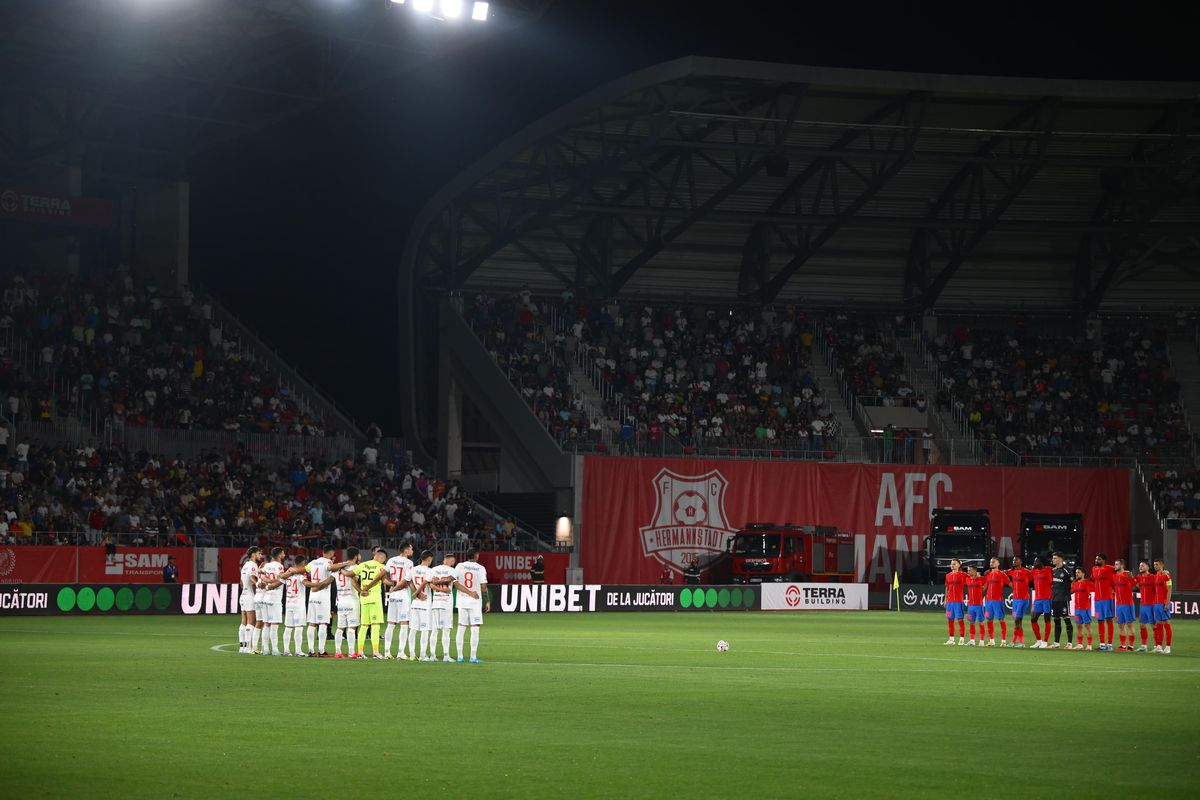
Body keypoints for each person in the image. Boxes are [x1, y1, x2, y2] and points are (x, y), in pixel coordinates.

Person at [304, 544, 349, 657]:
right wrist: (344, 563)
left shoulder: (313, 562)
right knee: (323, 623)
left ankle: (310, 650)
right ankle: (322, 650)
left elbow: (305, 569)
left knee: (312, 623)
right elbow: (330, 568)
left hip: (312, 595)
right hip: (322, 595)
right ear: (330, 553)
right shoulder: (328, 562)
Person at [453, 547, 489, 663]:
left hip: (462, 601)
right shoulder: (480, 568)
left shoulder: (459, 566)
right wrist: (487, 600)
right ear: (477, 556)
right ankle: (473, 657)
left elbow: (455, 583)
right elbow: (483, 587)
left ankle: (460, 656)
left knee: (461, 627)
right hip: (475, 602)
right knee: (475, 628)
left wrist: (467, 592)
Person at [353, 549, 387, 659]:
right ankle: (376, 652)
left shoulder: (362, 565)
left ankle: (360, 652)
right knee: (375, 626)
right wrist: (394, 584)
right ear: (381, 558)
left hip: (364, 598)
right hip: (375, 599)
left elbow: (352, 578)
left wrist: (360, 591)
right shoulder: (380, 566)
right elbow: (385, 581)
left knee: (363, 626)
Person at [383, 543, 414, 660]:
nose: (412, 550)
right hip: (402, 593)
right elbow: (407, 580)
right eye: (411, 548)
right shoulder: (409, 563)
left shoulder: (391, 560)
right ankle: (401, 652)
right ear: (406, 551)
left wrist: (392, 585)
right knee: (404, 623)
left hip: (393, 594)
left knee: (391, 624)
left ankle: (387, 652)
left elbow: (383, 576)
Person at [258, 548, 289, 656]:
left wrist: (266, 583)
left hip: (265, 598)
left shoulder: (267, 565)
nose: (284, 555)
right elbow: (281, 578)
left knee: (266, 624)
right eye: (283, 553)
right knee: (274, 624)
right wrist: (287, 576)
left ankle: (265, 649)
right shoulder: (279, 566)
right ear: (280, 555)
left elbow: (260, 574)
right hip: (274, 598)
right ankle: (275, 649)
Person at [333, 548, 362, 659]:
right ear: (356, 556)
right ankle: (351, 652)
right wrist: (361, 591)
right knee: (351, 627)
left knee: (340, 628)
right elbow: (354, 581)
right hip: (352, 600)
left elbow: (331, 569)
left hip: (340, 601)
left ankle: (338, 652)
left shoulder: (339, 568)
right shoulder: (356, 568)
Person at [430, 553, 458, 662]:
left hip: (436, 601)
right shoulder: (453, 570)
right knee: (446, 630)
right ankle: (446, 656)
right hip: (446, 602)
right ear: (451, 561)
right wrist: (442, 588)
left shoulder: (434, 569)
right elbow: (449, 580)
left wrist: (436, 582)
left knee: (434, 630)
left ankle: (433, 655)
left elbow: (430, 583)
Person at [410, 551, 435, 661]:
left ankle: (411, 654)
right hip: (426, 603)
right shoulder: (430, 571)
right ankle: (422, 655)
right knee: (425, 630)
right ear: (429, 559)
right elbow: (429, 584)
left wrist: (416, 593)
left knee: (413, 629)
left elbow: (409, 582)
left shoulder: (413, 569)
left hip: (415, 603)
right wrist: (419, 593)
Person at [238, 547, 263, 654]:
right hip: (249, 596)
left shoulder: (245, 565)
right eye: (258, 553)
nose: (260, 555)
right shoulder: (253, 565)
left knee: (243, 622)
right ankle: (249, 648)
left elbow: (241, 583)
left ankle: (242, 647)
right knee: (251, 622)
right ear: (253, 554)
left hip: (243, 594)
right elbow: (252, 578)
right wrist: (257, 584)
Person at [1091, 554, 1116, 651]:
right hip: (1097, 599)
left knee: (1108, 620)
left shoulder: (1110, 568)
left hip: (1107, 598)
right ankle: (1102, 644)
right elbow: (1093, 579)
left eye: (1099, 559)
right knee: (1100, 620)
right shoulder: (1094, 569)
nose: (1097, 560)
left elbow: (1120, 570)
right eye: (1096, 558)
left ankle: (1109, 645)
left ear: (1104, 560)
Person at [983, 557, 1010, 647]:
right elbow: (985, 588)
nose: (991, 563)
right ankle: (992, 641)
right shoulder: (988, 574)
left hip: (998, 600)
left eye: (993, 562)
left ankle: (1003, 641)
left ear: (998, 563)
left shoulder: (1002, 574)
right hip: (988, 601)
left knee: (1001, 619)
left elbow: (1010, 584)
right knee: (989, 620)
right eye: (990, 562)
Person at [1049, 552, 1074, 649]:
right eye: (1053, 558)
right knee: (1056, 620)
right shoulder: (1053, 570)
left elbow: (1073, 581)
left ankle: (1069, 644)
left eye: (1055, 558)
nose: (1053, 560)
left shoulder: (1067, 570)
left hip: (1063, 599)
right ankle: (1056, 643)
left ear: (1060, 559)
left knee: (1067, 619)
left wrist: (1068, 593)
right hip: (1055, 599)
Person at [1005, 556, 1031, 648]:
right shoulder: (1012, 572)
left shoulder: (1027, 572)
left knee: (1017, 620)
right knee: (1017, 622)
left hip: (1023, 599)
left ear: (1021, 561)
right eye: (1013, 560)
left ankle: (1020, 642)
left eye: (1016, 560)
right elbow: (1002, 573)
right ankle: (1015, 642)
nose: (1014, 561)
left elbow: (1034, 578)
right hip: (1015, 600)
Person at [1112, 559, 1138, 651]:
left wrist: (1131, 576)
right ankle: (1123, 646)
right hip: (1118, 605)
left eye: (1117, 564)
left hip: (1128, 604)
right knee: (1120, 625)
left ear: (1122, 565)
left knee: (1130, 625)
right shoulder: (1114, 576)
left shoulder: (1127, 575)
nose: (1115, 566)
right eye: (1115, 564)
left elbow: (1135, 584)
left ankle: (1131, 646)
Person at [1029, 557, 1053, 649]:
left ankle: (1045, 641)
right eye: (1034, 561)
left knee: (1047, 619)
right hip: (1038, 599)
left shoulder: (1048, 569)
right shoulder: (1034, 571)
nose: (1034, 563)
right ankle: (1038, 641)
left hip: (1047, 598)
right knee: (1033, 619)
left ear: (1041, 562)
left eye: (1036, 561)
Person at [943, 558, 967, 645]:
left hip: (958, 601)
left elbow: (971, 579)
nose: (952, 565)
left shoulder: (963, 575)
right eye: (951, 564)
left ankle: (961, 639)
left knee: (960, 619)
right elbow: (947, 588)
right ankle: (951, 639)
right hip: (950, 602)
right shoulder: (948, 575)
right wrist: (945, 599)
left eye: (954, 564)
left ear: (959, 565)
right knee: (950, 620)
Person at [1070, 567, 1096, 650]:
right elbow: (1071, 591)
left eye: (1078, 572)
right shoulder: (1075, 583)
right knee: (1079, 627)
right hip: (1077, 609)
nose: (1077, 574)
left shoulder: (1088, 583)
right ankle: (1080, 644)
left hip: (1085, 608)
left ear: (1083, 574)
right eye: (1076, 572)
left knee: (1087, 626)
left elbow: (1097, 588)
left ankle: (1089, 645)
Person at [1135, 560, 1157, 653]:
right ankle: (1144, 646)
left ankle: (1157, 646)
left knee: (1153, 625)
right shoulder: (1139, 577)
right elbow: (1137, 586)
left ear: (1148, 567)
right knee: (1142, 625)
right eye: (1140, 565)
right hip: (1143, 605)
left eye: (1142, 566)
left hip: (1151, 604)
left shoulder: (1153, 577)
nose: (1140, 567)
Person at [1153, 558, 1173, 654]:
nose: (1155, 566)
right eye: (1154, 564)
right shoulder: (1155, 576)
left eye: (1157, 564)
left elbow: (1169, 590)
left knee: (1167, 625)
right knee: (1158, 625)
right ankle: (1159, 646)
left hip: (1163, 603)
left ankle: (1168, 647)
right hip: (1156, 604)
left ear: (1162, 565)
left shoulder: (1167, 576)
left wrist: (1167, 603)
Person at [964, 565, 986, 646]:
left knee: (981, 623)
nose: (968, 572)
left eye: (970, 570)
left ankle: (982, 641)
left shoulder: (980, 579)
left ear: (974, 571)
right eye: (968, 570)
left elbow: (987, 581)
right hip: (970, 605)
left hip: (979, 605)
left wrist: (984, 588)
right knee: (971, 623)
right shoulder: (967, 579)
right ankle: (972, 640)